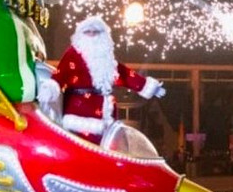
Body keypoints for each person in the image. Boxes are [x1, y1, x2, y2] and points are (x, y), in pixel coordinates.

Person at [37, 16, 165, 143]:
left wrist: (147, 86)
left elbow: (124, 74)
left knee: (104, 147)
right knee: (81, 146)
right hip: (79, 112)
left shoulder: (107, 57)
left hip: (105, 113)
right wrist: (50, 88)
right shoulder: (72, 54)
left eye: (96, 32)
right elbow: (60, 75)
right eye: (88, 32)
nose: (92, 35)